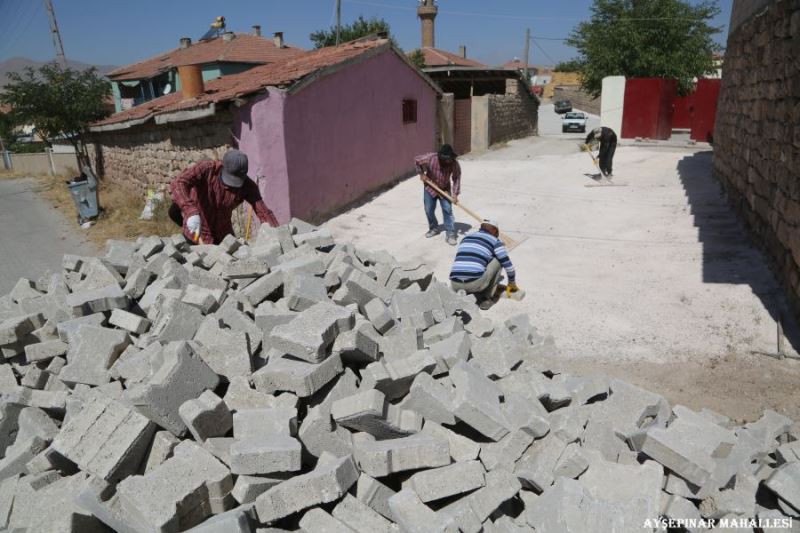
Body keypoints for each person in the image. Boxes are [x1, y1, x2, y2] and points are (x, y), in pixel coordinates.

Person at [168, 149, 279, 244]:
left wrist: (279, 236)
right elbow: (179, 183)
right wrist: (191, 211)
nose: (232, 186)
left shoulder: (247, 186)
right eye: (230, 180)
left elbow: (263, 212)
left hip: (224, 239)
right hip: (196, 236)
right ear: (223, 167)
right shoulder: (207, 170)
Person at [450, 219, 518, 309]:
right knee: (499, 260)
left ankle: (464, 291)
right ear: (495, 231)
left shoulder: (466, 238)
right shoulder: (496, 241)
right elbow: (509, 267)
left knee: (473, 259)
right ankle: (486, 298)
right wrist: (511, 284)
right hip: (474, 285)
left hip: (455, 284)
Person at [415, 144, 461, 246]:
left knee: (447, 210)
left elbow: (456, 177)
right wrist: (421, 173)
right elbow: (417, 161)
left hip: (444, 189)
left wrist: (455, 194)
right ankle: (434, 228)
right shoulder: (431, 158)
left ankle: (450, 234)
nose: (449, 161)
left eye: (450, 159)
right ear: (441, 158)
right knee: (428, 209)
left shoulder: (454, 163)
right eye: (446, 160)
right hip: (430, 187)